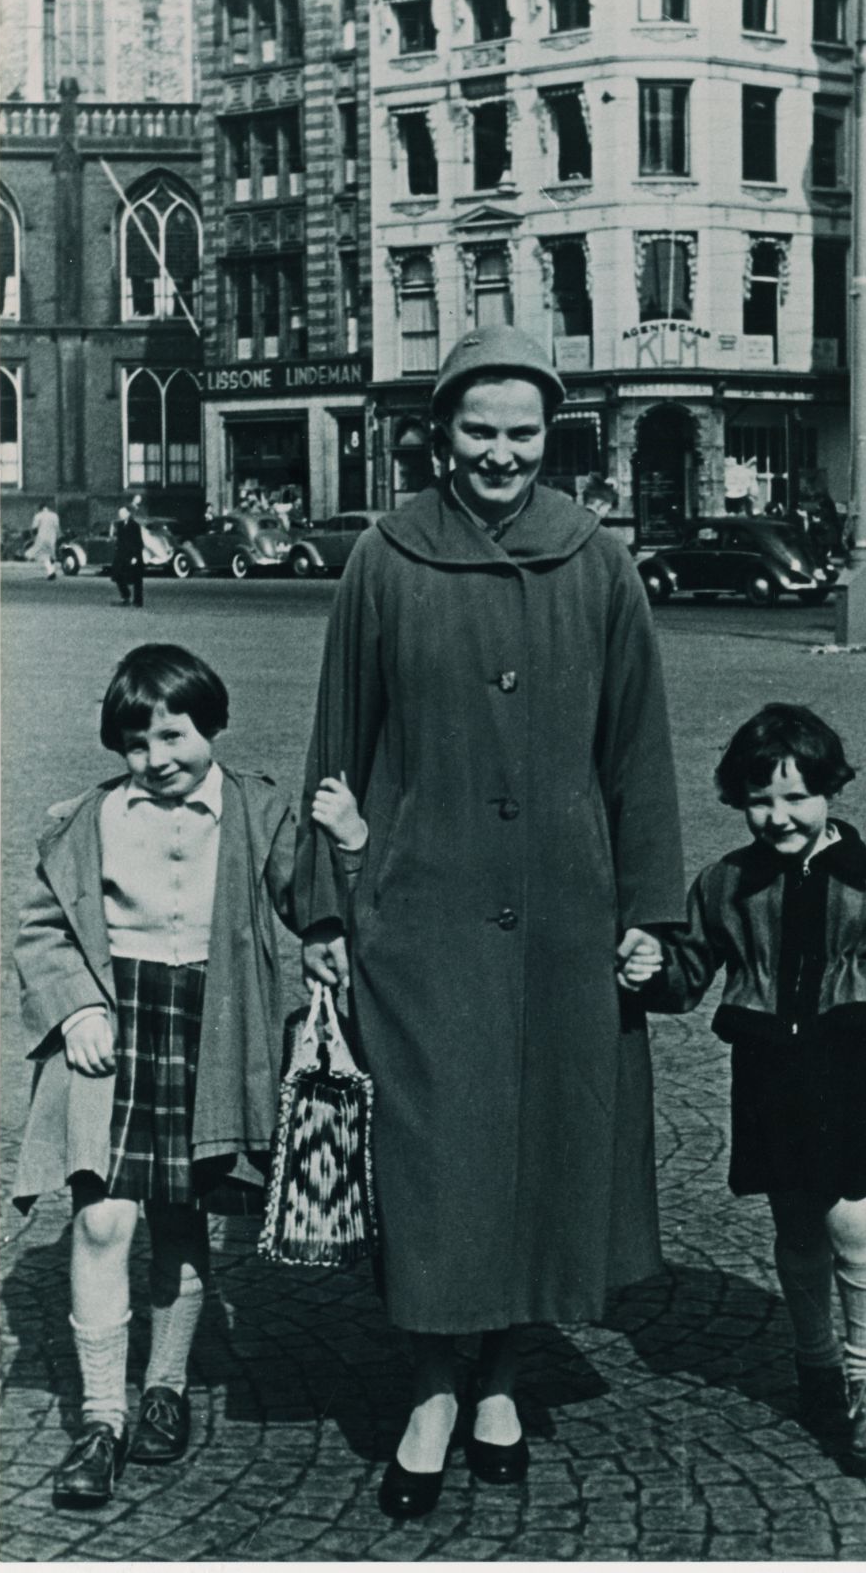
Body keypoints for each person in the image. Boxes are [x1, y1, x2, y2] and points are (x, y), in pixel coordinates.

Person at [295, 325, 685, 1519]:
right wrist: (328, 908)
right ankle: (429, 1386)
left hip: (568, 918)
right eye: (479, 431)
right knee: (431, 1158)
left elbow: (639, 754)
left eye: (522, 434)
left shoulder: (598, 562)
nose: (501, 453)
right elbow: (336, 741)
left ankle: (505, 1376)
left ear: (549, 438)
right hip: (420, 918)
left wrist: (652, 913)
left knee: (544, 1153)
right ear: (440, 437)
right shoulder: (384, 559)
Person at [11, 645, 298, 1509]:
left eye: (174, 735)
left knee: (181, 1214)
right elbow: (43, 928)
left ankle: (165, 1386)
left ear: (212, 724)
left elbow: (314, 903)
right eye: (136, 743)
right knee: (102, 1219)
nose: (156, 757)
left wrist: (350, 845)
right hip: (113, 1025)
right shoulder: (86, 818)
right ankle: (102, 1418)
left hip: (212, 1028)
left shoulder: (258, 810)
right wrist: (75, 1009)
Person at [645, 703, 866, 1466]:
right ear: (738, 799)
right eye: (760, 799)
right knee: (795, 1226)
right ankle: (815, 1362)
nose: (779, 816)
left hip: (860, 1070)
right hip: (773, 1076)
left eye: (797, 796)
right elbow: (688, 974)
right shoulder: (726, 884)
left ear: (830, 791)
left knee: (855, 1220)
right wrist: (651, 968)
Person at [110, 504, 145, 608]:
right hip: (122, 555)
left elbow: (138, 542)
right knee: (117, 575)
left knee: (137, 579)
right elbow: (119, 541)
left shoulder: (135, 526)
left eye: (122, 513)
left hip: (133, 555)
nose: (120, 515)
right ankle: (126, 597)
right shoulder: (120, 525)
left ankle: (138, 601)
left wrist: (135, 557)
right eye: (119, 513)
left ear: (128, 513)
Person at [27, 496, 60, 579]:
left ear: (40, 508)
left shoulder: (38, 516)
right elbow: (57, 528)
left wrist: (33, 537)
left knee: (44, 555)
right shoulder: (54, 515)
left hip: (42, 538)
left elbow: (34, 529)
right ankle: (52, 570)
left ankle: (51, 572)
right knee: (51, 555)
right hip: (52, 538)